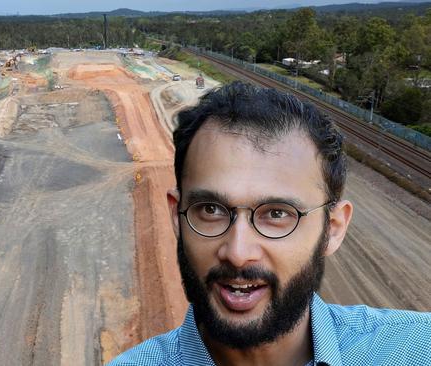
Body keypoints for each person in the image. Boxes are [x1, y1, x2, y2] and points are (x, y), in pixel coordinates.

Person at [109, 82, 431, 366]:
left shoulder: (416, 349)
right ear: (176, 216)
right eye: (211, 209)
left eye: (277, 214)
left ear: (332, 228)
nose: (237, 253)